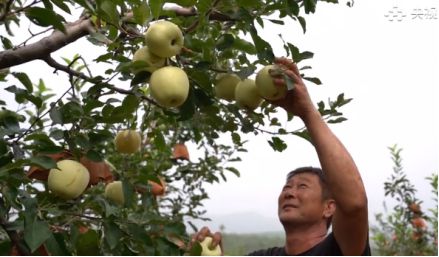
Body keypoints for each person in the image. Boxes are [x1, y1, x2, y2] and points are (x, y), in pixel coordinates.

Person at [189, 57, 370, 255]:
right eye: (287, 187)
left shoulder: (341, 250)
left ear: (329, 208)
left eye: (302, 186)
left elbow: (354, 204)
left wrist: (307, 112)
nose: (289, 193)